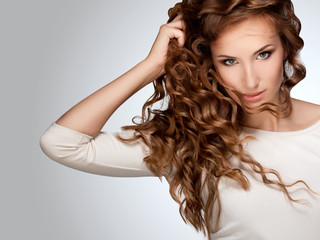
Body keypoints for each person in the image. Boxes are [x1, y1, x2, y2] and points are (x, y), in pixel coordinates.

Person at [39, 0, 320, 239]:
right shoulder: (196, 140)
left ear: (286, 48)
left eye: (263, 54)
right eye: (229, 61)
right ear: (210, 63)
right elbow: (63, 144)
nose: (250, 80)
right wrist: (153, 65)